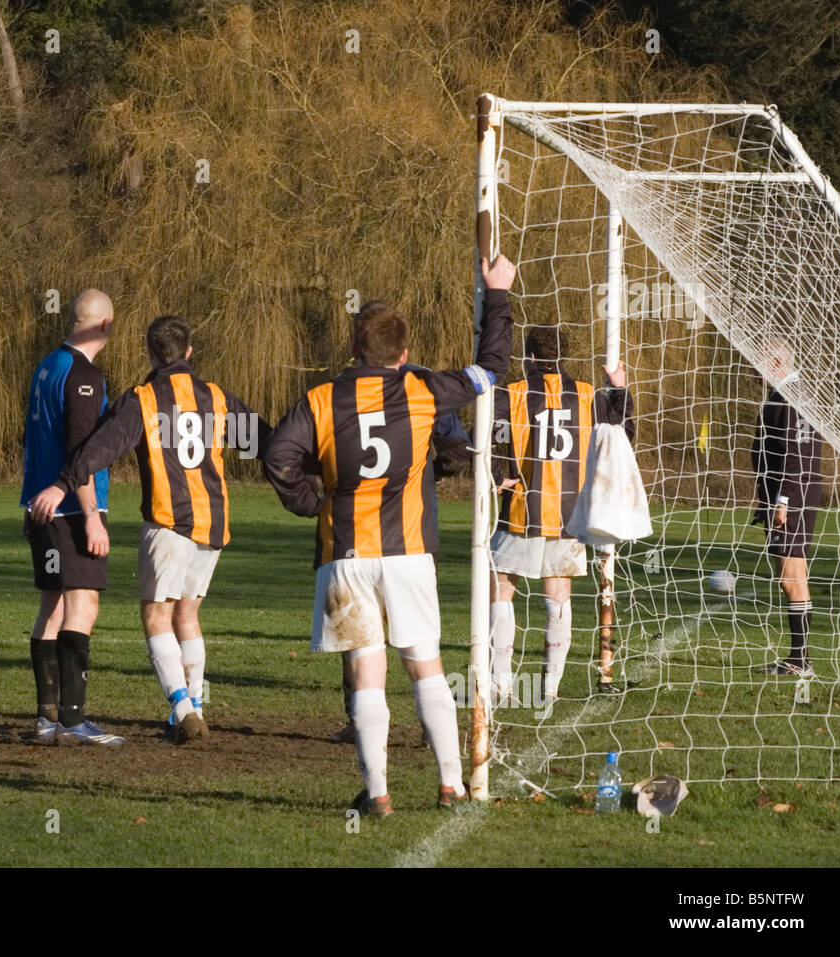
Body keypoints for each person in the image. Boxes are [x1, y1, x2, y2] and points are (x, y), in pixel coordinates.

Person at [265, 256, 516, 816]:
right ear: (403, 354)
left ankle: (377, 791)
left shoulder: (321, 399)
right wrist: (496, 293)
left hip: (346, 555)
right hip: (408, 553)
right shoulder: (424, 389)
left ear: (354, 350)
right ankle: (451, 783)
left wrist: (313, 503)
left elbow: (277, 456)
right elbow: (491, 368)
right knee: (425, 660)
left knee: (365, 667)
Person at [32, 315, 271, 744]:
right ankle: (192, 709)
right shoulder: (217, 397)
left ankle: (182, 710)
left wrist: (62, 482)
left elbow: (101, 448)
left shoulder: (144, 398)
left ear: (149, 352)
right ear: (190, 352)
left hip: (167, 522)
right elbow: (266, 441)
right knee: (188, 615)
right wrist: (309, 472)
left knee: (157, 616)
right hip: (213, 524)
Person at [489, 325, 632, 705]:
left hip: (522, 507)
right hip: (569, 514)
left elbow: (493, 434)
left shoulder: (514, 392)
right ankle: (549, 688)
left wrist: (497, 474)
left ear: (531, 357)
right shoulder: (587, 395)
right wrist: (620, 392)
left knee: (501, 586)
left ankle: (501, 684)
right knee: (558, 593)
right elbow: (620, 433)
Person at [330, 372, 473, 745]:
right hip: (414, 533)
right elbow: (459, 453)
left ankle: (358, 719)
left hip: (355, 534)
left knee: (360, 639)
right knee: (422, 640)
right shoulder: (424, 391)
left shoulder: (341, 391)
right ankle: (433, 729)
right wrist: (423, 473)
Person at [21, 290, 123, 746]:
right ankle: (72, 720)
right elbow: (81, 451)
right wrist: (91, 516)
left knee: (53, 604)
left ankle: (46, 717)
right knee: (83, 604)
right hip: (69, 509)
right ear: (103, 325)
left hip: (38, 508)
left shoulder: (47, 366)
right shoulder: (84, 375)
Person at [751, 339, 822, 677]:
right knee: (792, 576)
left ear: (776, 362)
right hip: (790, 497)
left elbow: (797, 456)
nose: (755, 367)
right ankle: (799, 658)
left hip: (792, 499)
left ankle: (799, 660)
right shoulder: (790, 395)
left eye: (760, 360)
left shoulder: (792, 397)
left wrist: (783, 502)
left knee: (791, 577)